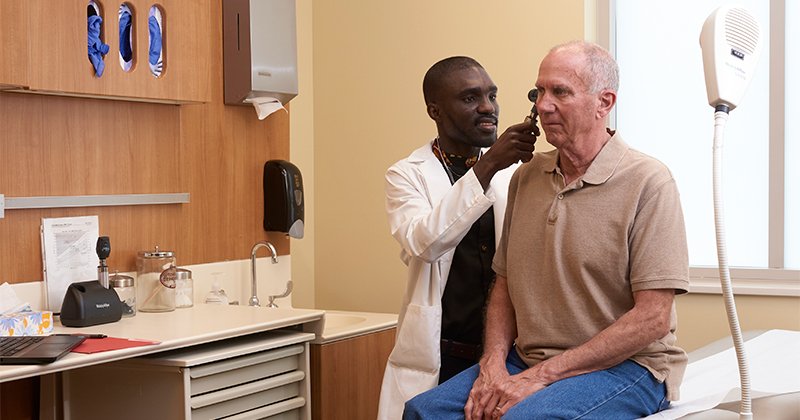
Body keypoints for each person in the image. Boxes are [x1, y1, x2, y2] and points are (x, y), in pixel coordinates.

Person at [403, 41, 690, 420]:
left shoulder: (649, 182)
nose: (543, 105)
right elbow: (504, 286)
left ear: (604, 102)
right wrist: (492, 363)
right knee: (423, 412)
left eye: (561, 92)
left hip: (627, 367)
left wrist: (540, 377)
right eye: (540, 92)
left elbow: (652, 317)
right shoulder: (527, 177)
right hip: (529, 358)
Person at [378, 56, 539, 420]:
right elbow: (425, 243)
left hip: (508, 356)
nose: (488, 108)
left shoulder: (513, 174)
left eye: (492, 95)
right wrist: (487, 166)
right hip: (443, 355)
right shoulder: (406, 175)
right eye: (470, 98)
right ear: (435, 110)